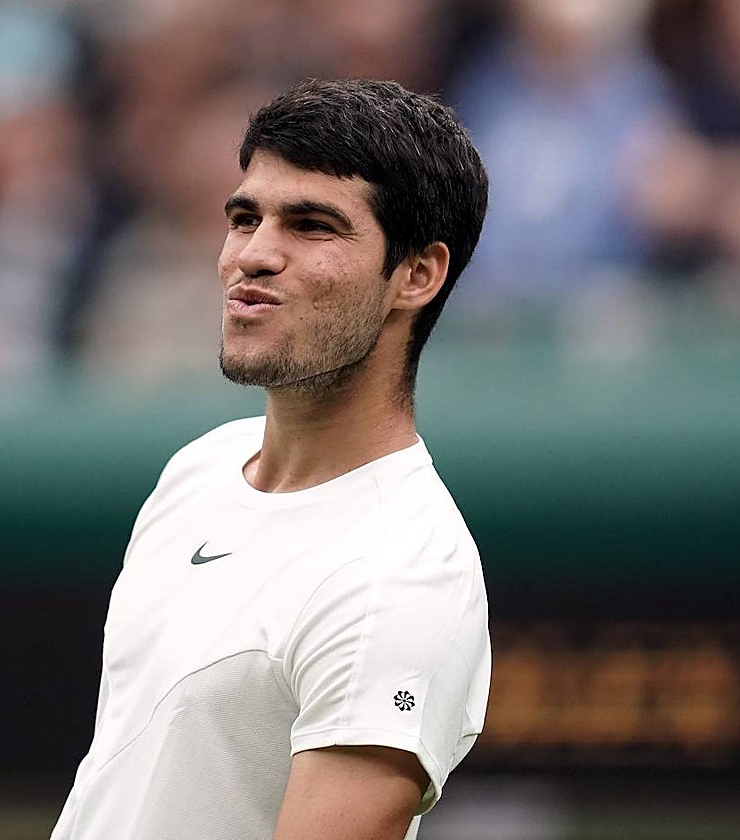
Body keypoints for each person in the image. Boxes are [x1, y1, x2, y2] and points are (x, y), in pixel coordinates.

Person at [50, 79, 492, 840]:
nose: (253, 255)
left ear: (416, 275)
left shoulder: (401, 578)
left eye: (313, 226)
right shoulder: (200, 468)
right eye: (245, 218)